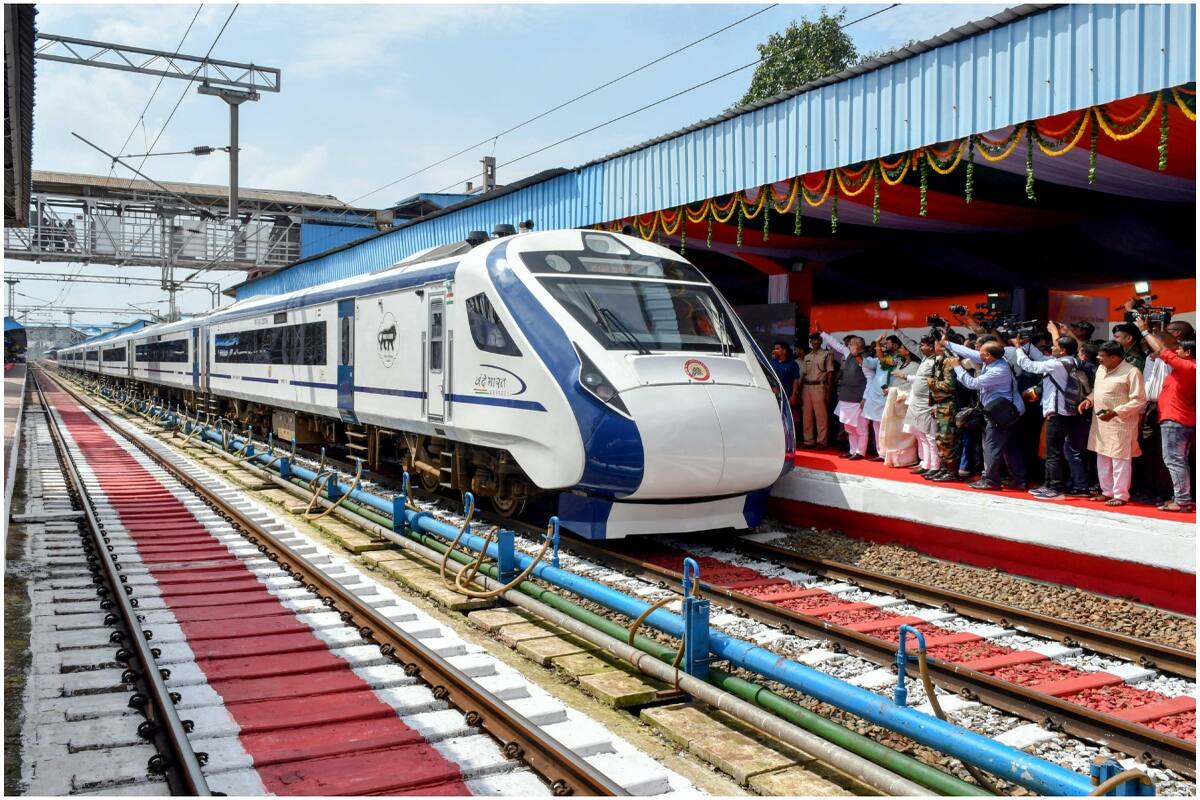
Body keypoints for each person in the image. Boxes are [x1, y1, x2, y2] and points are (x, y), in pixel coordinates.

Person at [1013, 323, 1090, 499]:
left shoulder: (1056, 365)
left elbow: (1030, 366)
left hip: (1056, 413)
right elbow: (1040, 357)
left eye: (1055, 346)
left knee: (1053, 452)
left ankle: (1053, 487)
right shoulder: (1074, 361)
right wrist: (1025, 344)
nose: (1051, 348)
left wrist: (1018, 348)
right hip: (1070, 412)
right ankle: (1075, 486)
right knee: (1069, 450)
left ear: (1062, 350)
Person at [946, 341, 1026, 491]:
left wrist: (957, 367)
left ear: (988, 355)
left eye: (980, 351)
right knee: (1010, 448)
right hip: (1010, 411)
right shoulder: (995, 359)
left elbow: (972, 383)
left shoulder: (998, 370)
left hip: (1001, 415)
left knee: (992, 448)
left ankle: (991, 481)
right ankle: (1018, 480)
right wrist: (948, 344)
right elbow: (969, 353)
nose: (977, 352)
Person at [1079, 341, 1146, 506]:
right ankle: (1107, 492)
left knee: (1120, 459)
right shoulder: (1101, 369)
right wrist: (1089, 399)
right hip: (1101, 423)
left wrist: (1116, 412)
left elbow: (1139, 400)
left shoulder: (1132, 372)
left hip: (1120, 423)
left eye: (1102, 356)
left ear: (1114, 357)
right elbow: (1099, 390)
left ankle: (1120, 495)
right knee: (1102, 457)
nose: (1098, 358)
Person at [1138, 319, 1195, 512]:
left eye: (1179, 350)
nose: (1175, 352)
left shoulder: (1188, 367)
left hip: (1175, 420)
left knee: (1174, 460)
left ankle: (1181, 501)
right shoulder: (1188, 367)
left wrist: (1146, 331)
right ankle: (1182, 498)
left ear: (1188, 353)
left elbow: (1163, 351)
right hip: (1179, 419)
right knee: (1178, 460)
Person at [816, 323, 873, 460]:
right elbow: (836, 344)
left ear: (859, 346)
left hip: (859, 398)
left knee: (860, 427)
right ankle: (852, 450)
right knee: (849, 427)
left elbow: (870, 379)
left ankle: (860, 452)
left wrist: (865, 397)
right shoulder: (848, 353)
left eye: (851, 343)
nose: (848, 345)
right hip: (846, 396)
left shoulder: (867, 359)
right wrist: (822, 333)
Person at [901, 334, 939, 474]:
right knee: (922, 435)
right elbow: (911, 344)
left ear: (931, 346)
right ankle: (926, 465)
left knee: (930, 437)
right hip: (917, 402)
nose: (920, 347)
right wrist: (897, 330)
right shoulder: (925, 358)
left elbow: (938, 385)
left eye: (923, 345)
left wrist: (935, 405)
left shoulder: (937, 361)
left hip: (928, 403)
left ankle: (935, 466)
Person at [799, 332, 836, 448]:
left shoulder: (826, 354)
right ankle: (808, 440)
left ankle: (821, 441)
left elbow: (830, 374)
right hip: (806, 387)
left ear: (821, 341)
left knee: (821, 416)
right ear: (810, 342)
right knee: (807, 415)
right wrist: (798, 391)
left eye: (817, 340)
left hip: (820, 386)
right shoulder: (807, 356)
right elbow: (802, 374)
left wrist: (829, 392)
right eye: (813, 340)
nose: (815, 342)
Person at [769, 341, 800, 413]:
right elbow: (768, 377)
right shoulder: (772, 362)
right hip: (773, 395)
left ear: (784, 350)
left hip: (787, 396)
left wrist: (794, 395)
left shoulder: (792, 364)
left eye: (777, 348)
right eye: (774, 349)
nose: (774, 350)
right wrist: (772, 387)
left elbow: (796, 380)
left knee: (786, 416)